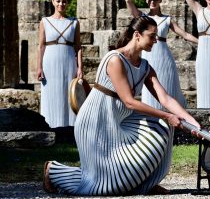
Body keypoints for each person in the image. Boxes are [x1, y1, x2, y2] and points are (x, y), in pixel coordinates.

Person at [43, 16, 201, 195]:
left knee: (162, 127)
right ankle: (53, 171)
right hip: (96, 122)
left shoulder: (145, 66)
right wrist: (167, 115)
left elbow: (165, 98)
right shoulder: (115, 59)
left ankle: (145, 183)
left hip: (120, 122)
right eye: (152, 35)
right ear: (137, 35)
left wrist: (191, 121)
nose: (156, 40)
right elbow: (129, 101)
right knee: (102, 186)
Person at [125, 0, 198, 110]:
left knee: (167, 87)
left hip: (165, 58)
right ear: (146, 0)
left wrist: (202, 42)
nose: (152, 1)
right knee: (149, 89)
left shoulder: (167, 19)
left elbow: (185, 34)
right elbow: (128, 0)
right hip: (148, 56)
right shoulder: (143, 18)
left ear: (160, 0)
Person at [37, 0, 83, 128]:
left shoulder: (74, 22)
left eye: (63, 1)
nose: (61, 4)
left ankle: (70, 127)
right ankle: (49, 126)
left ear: (67, 3)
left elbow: (78, 47)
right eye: (58, 1)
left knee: (68, 93)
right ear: (52, 2)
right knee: (51, 94)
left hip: (68, 60)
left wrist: (80, 67)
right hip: (50, 61)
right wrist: (39, 67)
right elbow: (41, 46)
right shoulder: (45, 21)